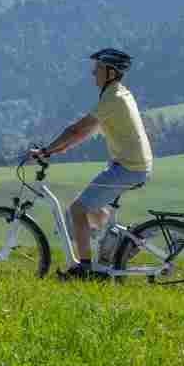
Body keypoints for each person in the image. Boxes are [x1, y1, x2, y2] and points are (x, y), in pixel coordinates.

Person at [31, 48, 153, 279]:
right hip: (130, 165)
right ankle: (123, 245)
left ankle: (84, 269)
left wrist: (47, 150)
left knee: (78, 209)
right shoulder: (118, 93)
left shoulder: (113, 98)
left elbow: (77, 129)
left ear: (110, 72)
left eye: (96, 69)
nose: (92, 73)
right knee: (92, 207)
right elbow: (82, 134)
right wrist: (60, 148)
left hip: (128, 168)